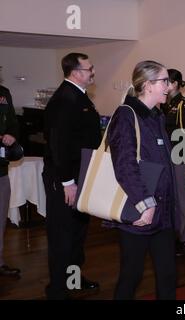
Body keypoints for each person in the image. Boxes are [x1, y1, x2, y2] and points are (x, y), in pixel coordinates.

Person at [108, 60, 177, 300]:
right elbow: (124, 165)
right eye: (164, 81)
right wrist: (144, 203)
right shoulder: (126, 115)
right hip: (140, 211)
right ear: (147, 85)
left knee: (168, 275)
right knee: (132, 275)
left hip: (163, 212)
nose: (169, 86)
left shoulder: (156, 115)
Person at [43, 52, 101, 299]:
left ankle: (74, 279)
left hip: (80, 176)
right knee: (63, 234)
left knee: (77, 232)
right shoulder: (64, 99)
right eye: (89, 69)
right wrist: (68, 182)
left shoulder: (79, 96)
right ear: (76, 72)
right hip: (66, 179)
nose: (92, 72)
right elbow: (59, 144)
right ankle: (57, 289)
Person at [161, 68, 185, 256]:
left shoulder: (183, 105)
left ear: (175, 84)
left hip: (181, 156)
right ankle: (183, 237)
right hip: (169, 156)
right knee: (176, 200)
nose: (164, 85)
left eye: (166, 82)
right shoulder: (166, 104)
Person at [0, 81, 21, 278]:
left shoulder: (4, 93)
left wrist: (11, 135)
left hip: (1, 170)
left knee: (0, 220)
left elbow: (13, 122)